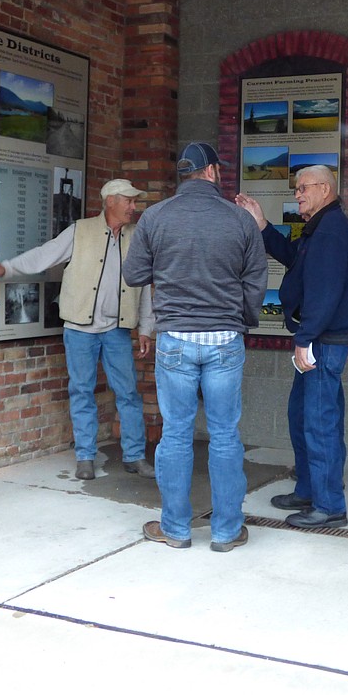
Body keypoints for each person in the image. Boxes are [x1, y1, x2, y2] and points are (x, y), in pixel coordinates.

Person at [123, 142, 267, 552]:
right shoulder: (238, 219)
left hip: (175, 341)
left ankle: (176, 529)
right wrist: (242, 320)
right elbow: (257, 279)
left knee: (176, 434)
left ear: (185, 173)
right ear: (212, 171)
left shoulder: (155, 216)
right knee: (224, 435)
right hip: (224, 338)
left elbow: (134, 275)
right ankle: (225, 531)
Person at [0, 179, 155, 481]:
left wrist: (146, 327)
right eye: (129, 201)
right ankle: (85, 457)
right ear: (111, 202)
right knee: (81, 391)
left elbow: (145, 286)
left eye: (134, 201)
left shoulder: (137, 237)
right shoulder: (80, 231)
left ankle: (135, 456)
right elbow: (45, 254)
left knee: (128, 393)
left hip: (117, 329)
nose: (134, 206)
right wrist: (7, 268)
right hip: (79, 328)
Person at [236, 165, 348, 529]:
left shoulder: (330, 231)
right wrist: (261, 224)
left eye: (303, 188)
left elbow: (324, 292)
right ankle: (309, 489)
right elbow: (294, 258)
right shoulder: (321, 226)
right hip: (318, 338)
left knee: (319, 422)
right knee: (303, 416)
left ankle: (329, 505)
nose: (297, 194)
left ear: (325, 188)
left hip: (321, 341)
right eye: (296, 189)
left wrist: (304, 339)